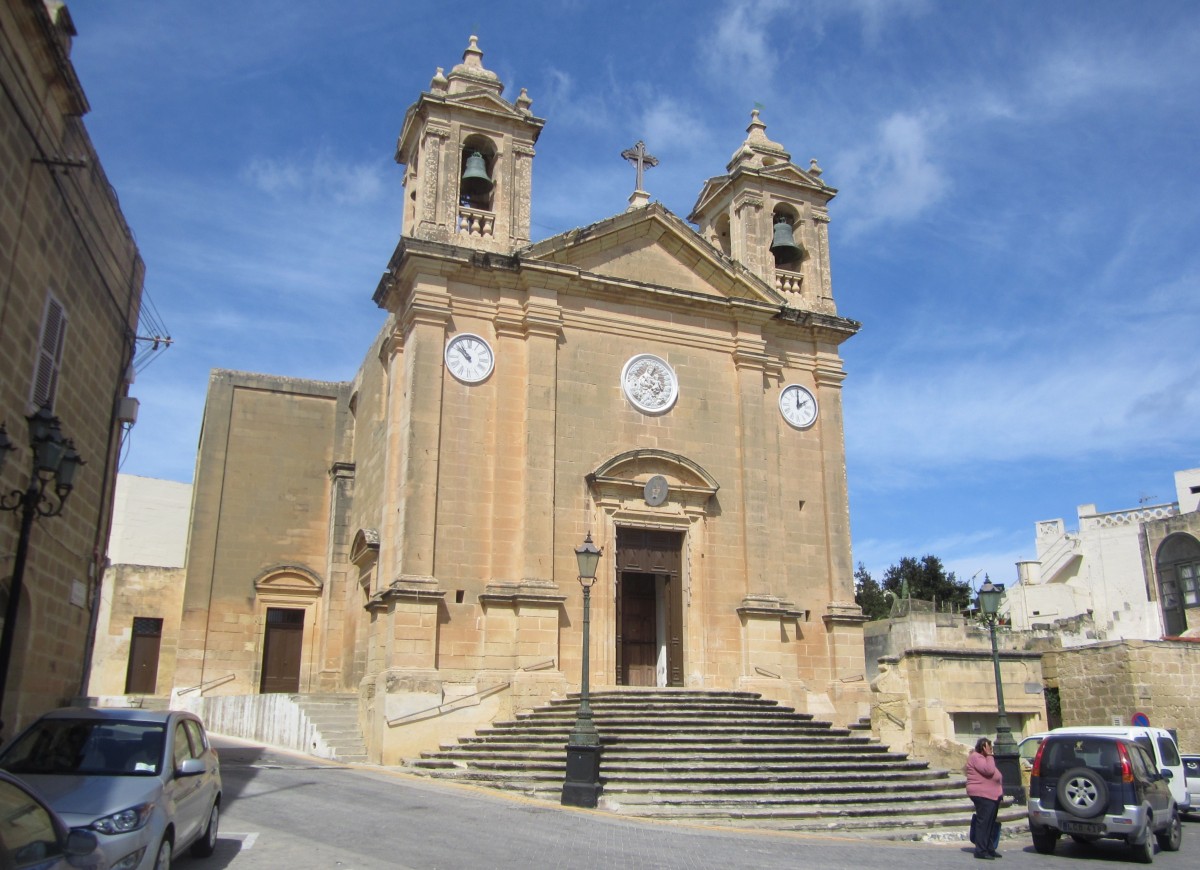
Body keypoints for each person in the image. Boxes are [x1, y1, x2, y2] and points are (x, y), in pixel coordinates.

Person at [965, 736, 1003, 859]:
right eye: (989, 748)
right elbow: (989, 771)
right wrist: (990, 755)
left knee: (991, 823)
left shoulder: (983, 758)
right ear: (983, 748)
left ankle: (989, 848)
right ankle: (980, 850)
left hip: (992, 795)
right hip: (982, 794)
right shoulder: (976, 757)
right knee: (984, 823)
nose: (991, 750)